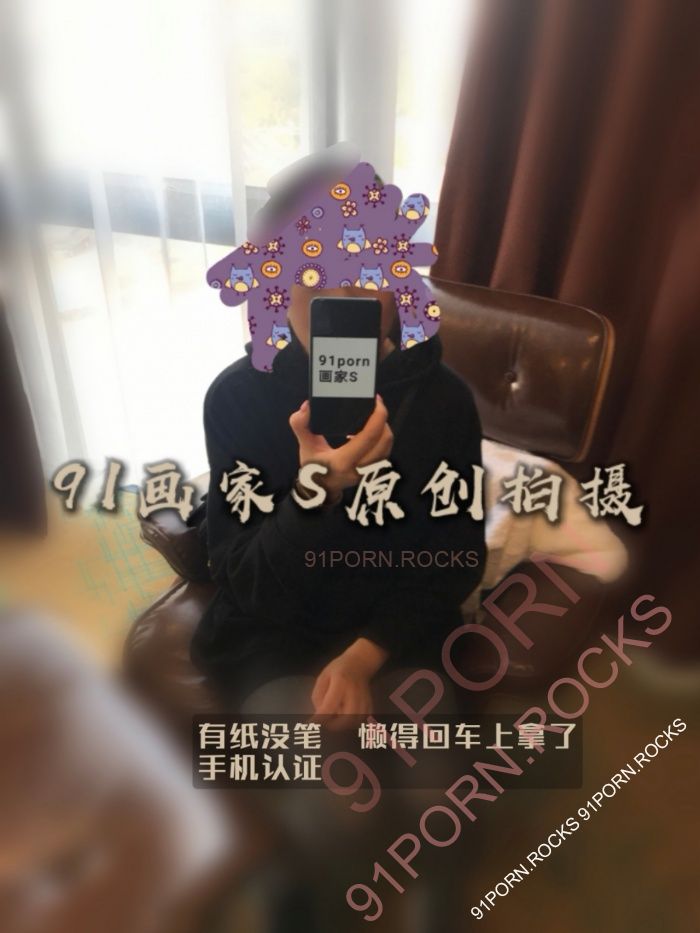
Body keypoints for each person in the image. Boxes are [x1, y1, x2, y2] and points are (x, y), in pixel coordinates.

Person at [191, 153, 486, 723]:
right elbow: (246, 581)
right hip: (272, 639)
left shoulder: (444, 400)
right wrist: (315, 492)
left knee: (427, 769)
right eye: (314, 272)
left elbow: (458, 556)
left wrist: (362, 658)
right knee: (317, 776)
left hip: (397, 639)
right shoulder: (236, 398)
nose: (347, 295)